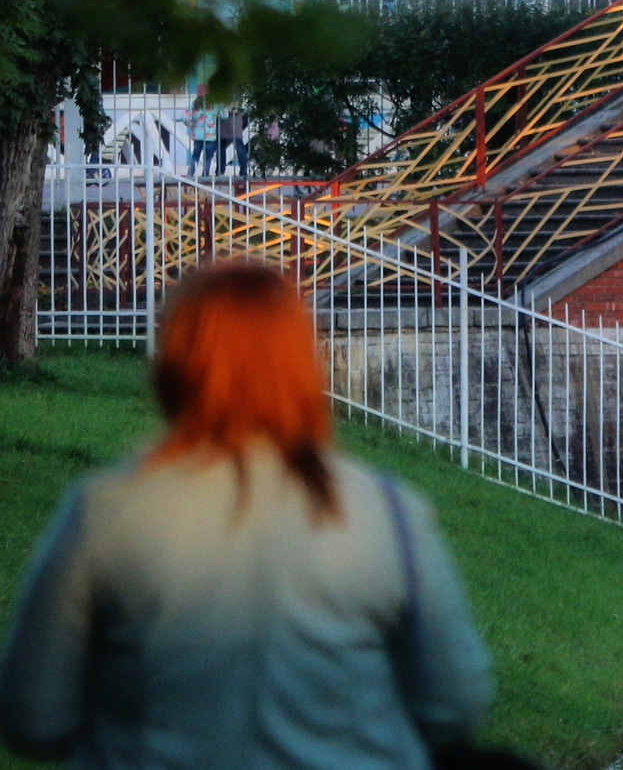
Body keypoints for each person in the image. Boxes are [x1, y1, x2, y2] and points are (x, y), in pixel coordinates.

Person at [0, 260, 494, 768]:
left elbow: (34, 718)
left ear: (175, 363)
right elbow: (454, 705)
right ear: (303, 363)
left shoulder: (107, 513)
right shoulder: (387, 514)